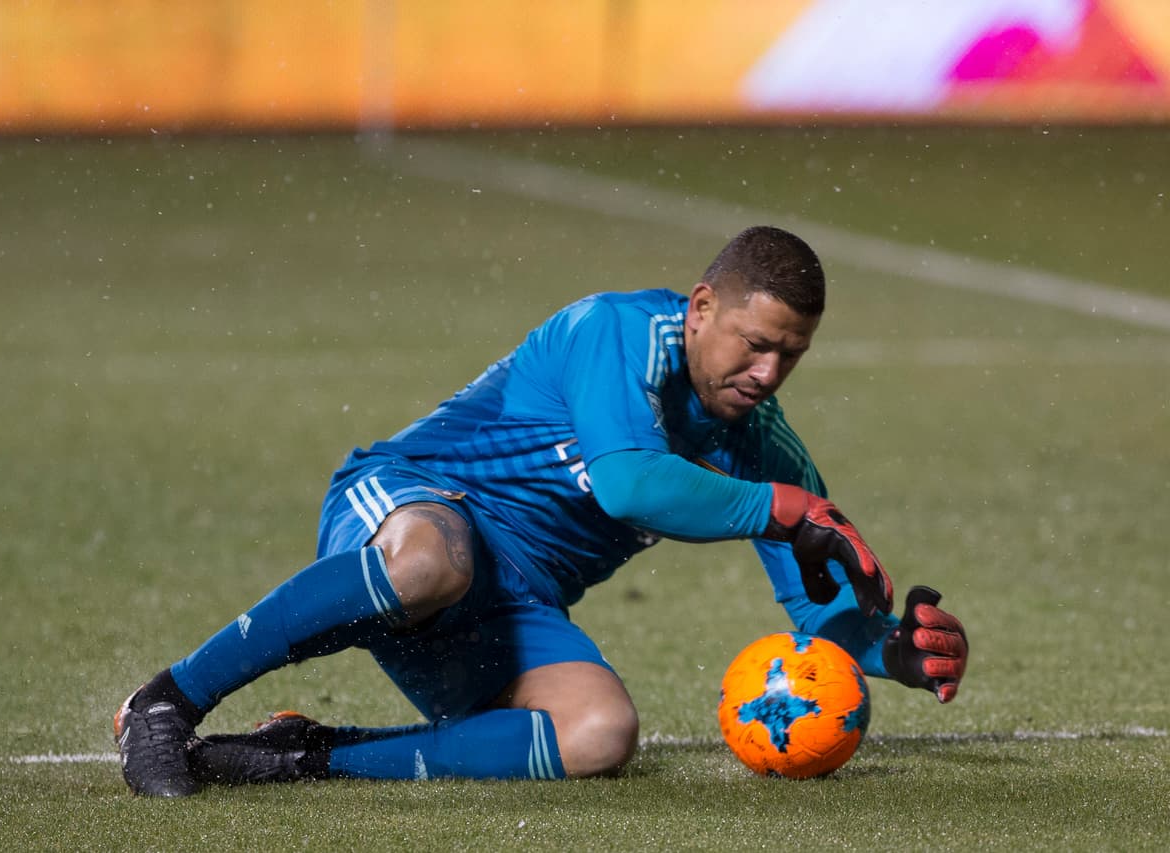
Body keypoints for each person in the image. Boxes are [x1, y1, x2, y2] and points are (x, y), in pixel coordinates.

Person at [114, 225, 969, 797]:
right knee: (427, 565)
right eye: (757, 342)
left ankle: (306, 752)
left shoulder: (762, 445)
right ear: (703, 307)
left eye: (792, 355)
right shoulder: (619, 331)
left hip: (510, 606)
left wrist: (887, 645)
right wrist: (779, 507)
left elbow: (817, 608)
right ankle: (164, 703)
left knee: (600, 732)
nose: (769, 373)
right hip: (417, 508)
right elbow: (633, 483)